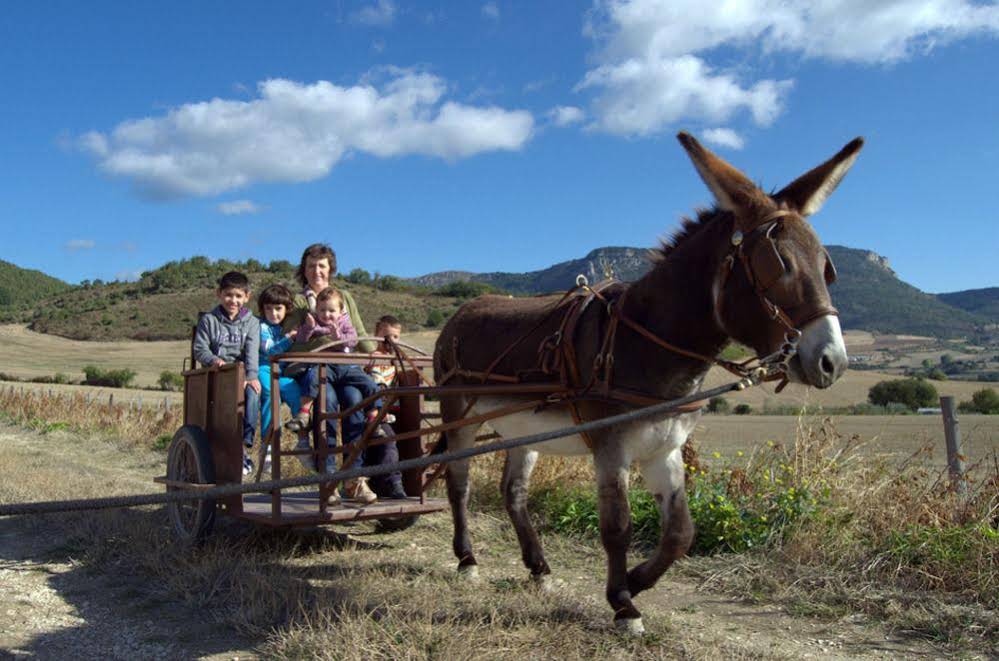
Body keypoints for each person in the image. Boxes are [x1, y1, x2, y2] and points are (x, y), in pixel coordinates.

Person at [285, 286, 382, 504]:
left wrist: (370, 350)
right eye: (322, 311)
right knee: (325, 402)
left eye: (331, 311)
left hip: (346, 369)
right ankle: (328, 479)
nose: (326, 315)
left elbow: (354, 340)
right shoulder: (304, 307)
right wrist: (308, 329)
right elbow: (298, 338)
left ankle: (353, 478)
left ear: (340, 311)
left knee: (356, 399)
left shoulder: (344, 318)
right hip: (322, 370)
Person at [192, 271, 260, 476]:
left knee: (253, 394)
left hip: (241, 373)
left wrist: (251, 376)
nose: (233, 300)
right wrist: (214, 360)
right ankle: (232, 453)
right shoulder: (210, 320)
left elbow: (251, 351)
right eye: (229, 295)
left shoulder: (252, 322)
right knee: (225, 408)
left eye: (239, 296)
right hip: (217, 374)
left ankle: (245, 443)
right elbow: (200, 349)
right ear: (219, 294)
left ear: (247, 297)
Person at [256, 284, 301, 468]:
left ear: (286, 309)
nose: (273, 313)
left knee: (295, 390)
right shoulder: (261, 327)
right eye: (269, 308)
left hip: (282, 371)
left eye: (278, 308)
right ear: (262, 309)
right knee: (269, 393)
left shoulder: (287, 326)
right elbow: (270, 351)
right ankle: (269, 442)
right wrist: (289, 339)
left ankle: (303, 436)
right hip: (265, 367)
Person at [363, 315, 408, 499]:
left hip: (392, 413)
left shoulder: (398, 362)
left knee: (395, 442)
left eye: (395, 337)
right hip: (372, 413)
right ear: (376, 335)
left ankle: (379, 483)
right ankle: (393, 483)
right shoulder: (371, 359)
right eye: (386, 336)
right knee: (388, 441)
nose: (391, 341)